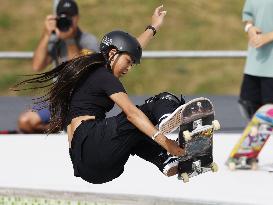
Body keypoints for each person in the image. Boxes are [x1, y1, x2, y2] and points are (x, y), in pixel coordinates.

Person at [15, 5, 186, 184]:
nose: (128, 68)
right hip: (92, 142)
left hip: (86, 166)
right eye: (128, 63)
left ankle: (164, 160)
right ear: (112, 54)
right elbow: (132, 114)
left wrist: (153, 27)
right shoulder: (103, 75)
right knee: (155, 104)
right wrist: (166, 141)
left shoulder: (92, 70)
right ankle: (166, 120)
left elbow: (130, 49)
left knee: (134, 133)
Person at [18, 0, 99, 133]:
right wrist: (46, 34)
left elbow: (78, 71)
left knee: (78, 126)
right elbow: (37, 66)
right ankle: (59, 131)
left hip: (81, 100)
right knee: (25, 122)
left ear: (77, 18)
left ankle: (65, 130)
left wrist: (70, 40)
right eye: (62, 16)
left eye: (70, 16)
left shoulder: (88, 40)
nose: (66, 20)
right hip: (59, 102)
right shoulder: (55, 40)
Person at [239, 0, 273, 120]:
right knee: (247, 102)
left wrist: (268, 37)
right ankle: (260, 134)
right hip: (256, 60)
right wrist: (250, 29)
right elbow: (249, 16)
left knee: (269, 106)